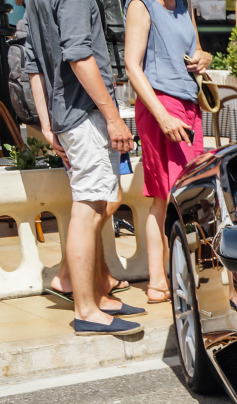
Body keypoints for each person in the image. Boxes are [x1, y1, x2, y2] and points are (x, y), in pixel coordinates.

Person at [23, 0, 142, 336]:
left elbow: (32, 63)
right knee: (88, 208)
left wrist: (47, 125)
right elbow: (78, 55)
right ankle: (85, 308)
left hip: (67, 115)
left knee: (100, 201)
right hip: (84, 113)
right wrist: (113, 117)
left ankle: (94, 292)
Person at [124, 0, 210, 304]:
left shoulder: (185, 5)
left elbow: (197, 48)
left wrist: (204, 58)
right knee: (166, 195)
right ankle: (160, 281)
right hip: (160, 105)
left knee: (182, 193)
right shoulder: (140, 5)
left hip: (189, 105)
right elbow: (132, 67)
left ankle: (169, 279)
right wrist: (162, 116)